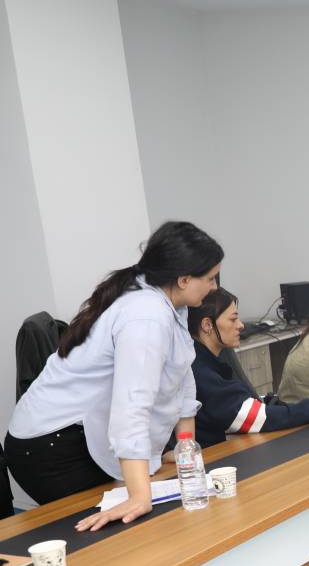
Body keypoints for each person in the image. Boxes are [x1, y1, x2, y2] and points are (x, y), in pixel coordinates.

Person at [5, 221, 224, 531]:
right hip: (51, 445)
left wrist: (184, 448)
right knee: (117, 533)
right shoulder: (146, 315)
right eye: (211, 278)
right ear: (184, 279)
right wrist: (139, 496)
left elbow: (182, 376)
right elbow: (131, 406)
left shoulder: (170, 303)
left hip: (79, 434)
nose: (214, 287)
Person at [188, 287, 309, 447]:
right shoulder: (200, 372)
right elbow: (260, 418)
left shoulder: (207, 361)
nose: (241, 325)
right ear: (207, 325)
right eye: (233, 319)